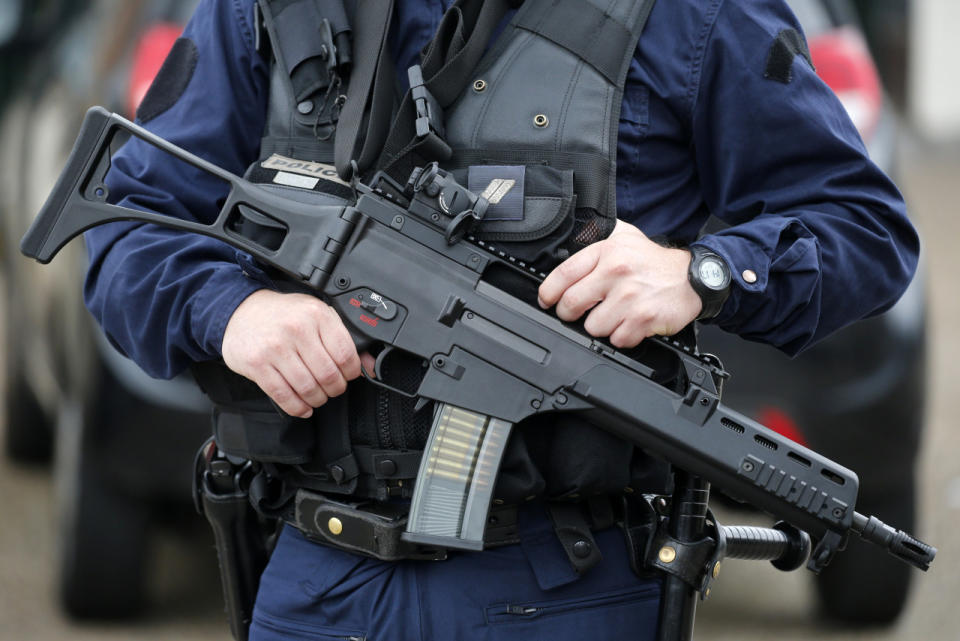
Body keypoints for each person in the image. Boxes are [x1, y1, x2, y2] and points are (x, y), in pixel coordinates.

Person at [82, 0, 919, 639]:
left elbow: (864, 227)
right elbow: (129, 223)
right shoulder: (270, 9)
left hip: (563, 583)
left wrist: (700, 272)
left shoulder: (690, 14)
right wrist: (231, 310)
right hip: (315, 573)